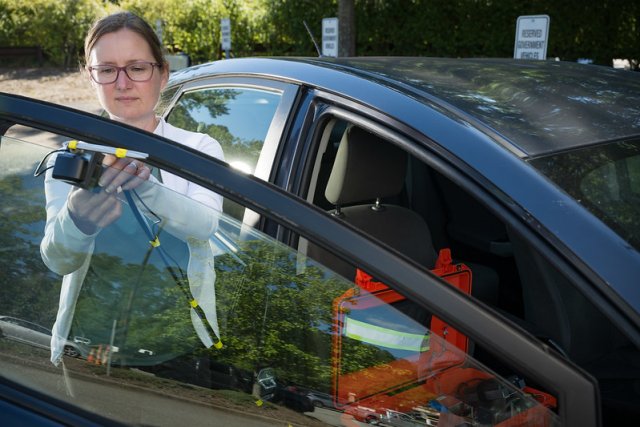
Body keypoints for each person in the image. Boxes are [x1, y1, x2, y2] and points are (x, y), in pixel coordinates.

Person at [40, 11, 224, 366]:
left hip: (180, 345)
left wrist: (147, 186)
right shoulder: (73, 158)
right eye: (107, 70)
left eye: (137, 67)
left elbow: (204, 225)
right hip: (87, 346)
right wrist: (77, 220)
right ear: (91, 77)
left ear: (163, 72)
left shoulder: (200, 149)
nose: (122, 83)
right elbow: (58, 259)